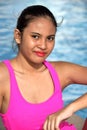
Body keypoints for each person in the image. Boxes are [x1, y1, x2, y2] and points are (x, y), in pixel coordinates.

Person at [0, 5, 87, 130]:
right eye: (35, 36)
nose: (43, 45)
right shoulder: (3, 76)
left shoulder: (60, 71)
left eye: (50, 38)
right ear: (18, 36)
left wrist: (70, 108)